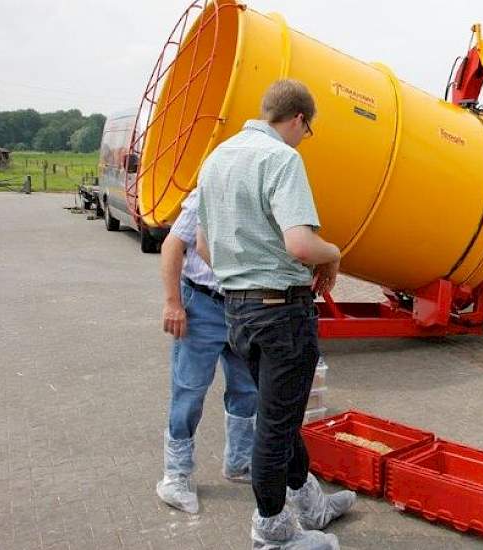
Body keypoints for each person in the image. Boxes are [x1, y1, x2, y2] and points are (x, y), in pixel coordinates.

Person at [196, 79, 354, 550]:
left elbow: (204, 247)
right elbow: (300, 244)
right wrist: (335, 253)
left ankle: (309, 504)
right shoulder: (282, 159)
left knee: (277, 413)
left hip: (238, 311)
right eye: (308, 130)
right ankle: (271, 534)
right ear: (300, 119)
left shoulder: (217, 158)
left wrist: (243, 268)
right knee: (275, 426)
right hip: (281, 312)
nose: (304, 139)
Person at [157, 188, 259, 515]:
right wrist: (173, 303)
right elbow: (173, 244)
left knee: (247, 389)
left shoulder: (262, 189)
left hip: (244, 308)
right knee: (190, 391)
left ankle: (240, 463)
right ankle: (176, 475)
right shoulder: (208, 191)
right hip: (201, 305)